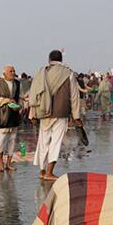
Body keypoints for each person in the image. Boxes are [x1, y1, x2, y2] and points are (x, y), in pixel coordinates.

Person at [27, 50, 82, 181]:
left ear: (49, 59)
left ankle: (42, 170)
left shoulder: (41, 73)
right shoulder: (68, 73)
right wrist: (76, 116)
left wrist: (32, 113)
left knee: (43, 140)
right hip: (60, 112)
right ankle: (49, 172)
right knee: (56, 142)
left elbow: (34, 94)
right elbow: (74, 96)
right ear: (61, 59)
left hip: (43, 111)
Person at [0, 65, 22, 172]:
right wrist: (6, 101)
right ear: (4, 74)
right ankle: (1, 163)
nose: (12, 72)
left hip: (14, 115)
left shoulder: (17, 84)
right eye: (10, 71)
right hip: (2, 116)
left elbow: (19, 97)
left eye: (14, 71)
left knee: (12, 140)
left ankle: (9, 163)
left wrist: (19, 106)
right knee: (2, 140)